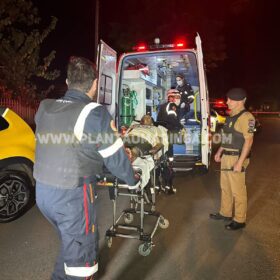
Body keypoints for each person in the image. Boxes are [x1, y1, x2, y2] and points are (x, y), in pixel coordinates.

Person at [33, 56, 139, 279]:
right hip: (71, 197)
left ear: (68, 81)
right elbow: (115, 157)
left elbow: (69, 144)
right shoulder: (94, 113)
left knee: (70, 245)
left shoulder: (45, 107)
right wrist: (132, 179)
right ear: (94, 84)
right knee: (82, 267)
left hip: (43, 194)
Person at [210, 88, 255, 230]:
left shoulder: (248, 118)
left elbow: (249, 141)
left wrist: (240, 162)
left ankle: (240, 219)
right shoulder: (231, 116)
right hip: (226, 156)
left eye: (230, 99)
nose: (227, 101)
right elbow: (227, 137)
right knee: (225, 187)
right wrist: (220, 151)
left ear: (240, 101)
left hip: (237, 157)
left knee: (238, 190)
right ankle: (225, 212)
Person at [124, 115, 176, 194]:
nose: (147, 119)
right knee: (134, 149)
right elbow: (160, 142)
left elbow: (160, 142)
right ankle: (130, 156)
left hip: (138, 141)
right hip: (136, 140)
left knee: (133, 150)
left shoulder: (152, 128)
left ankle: (129, 155)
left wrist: (155, 149)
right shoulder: (139, 127)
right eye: (145, 118)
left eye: (148, 118)